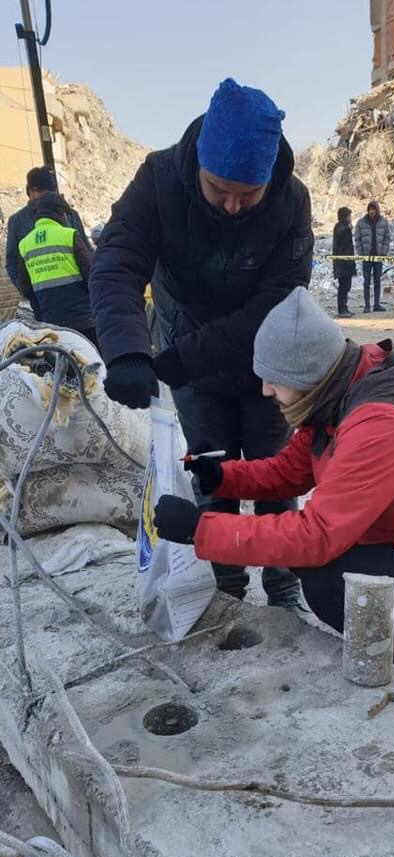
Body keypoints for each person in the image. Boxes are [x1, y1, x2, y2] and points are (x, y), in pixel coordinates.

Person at [153, 286, 394, 676]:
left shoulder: (381, 424)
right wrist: (222, 476)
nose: (266, 390)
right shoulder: (336, 395)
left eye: (274, 379)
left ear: (307, 374)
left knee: (328, 577)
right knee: (327, 565)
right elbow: (288, 472)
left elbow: (315, 537)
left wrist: (201, 530)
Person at [90, 77, 314, 612]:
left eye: (248, 195)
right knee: (211, 474)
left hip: (263, 361)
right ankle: (227, 587)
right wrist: (126, 350)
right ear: (198, 168)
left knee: (274, 472)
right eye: (220, 191)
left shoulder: (291, 201)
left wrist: (183, 357)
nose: (234, 207)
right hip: (185, 352)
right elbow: (116, 263)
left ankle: (285, 583)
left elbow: (275, 303)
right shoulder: (160, 179)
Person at [6, 166, 91, 321]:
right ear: (29, 191)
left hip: (81, 305)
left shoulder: (70, 214)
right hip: (44, 308)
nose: (43, 195)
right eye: (38, 190)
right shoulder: (17, 222)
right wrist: (32, 294)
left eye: (48, 190)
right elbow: (12, 264)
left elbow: (87, 254)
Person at [16, 192, 98, 347]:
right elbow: (92, 275)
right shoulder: (68, 235)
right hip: (83, 321)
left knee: (63, 366)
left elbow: (25, 289)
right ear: (60, 213)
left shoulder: (24, 244)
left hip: (50, 326)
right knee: (93, 365)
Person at [354, 201, 390, 313]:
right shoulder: (361, 222)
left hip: (378, 257)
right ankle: (367, 305)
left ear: (377, 210)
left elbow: (387, 238)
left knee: (377, 281)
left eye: (373, 209)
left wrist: (383, 252)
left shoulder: (383, 222)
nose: (371, 211)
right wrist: (361, 252)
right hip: (366, 257)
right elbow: (357, 238)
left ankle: (376, 304)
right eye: (370, 209)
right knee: (366, 281)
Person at [332, 207, 356, 318]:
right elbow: (340, 233)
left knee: (347, 286)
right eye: (349, 216)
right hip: (342, 263)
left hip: (348, 262)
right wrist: (347, 228)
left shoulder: (345, 228)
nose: (350, 218)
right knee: (343, 286)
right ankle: (341, 309)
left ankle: (345, 307)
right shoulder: (339, 227)